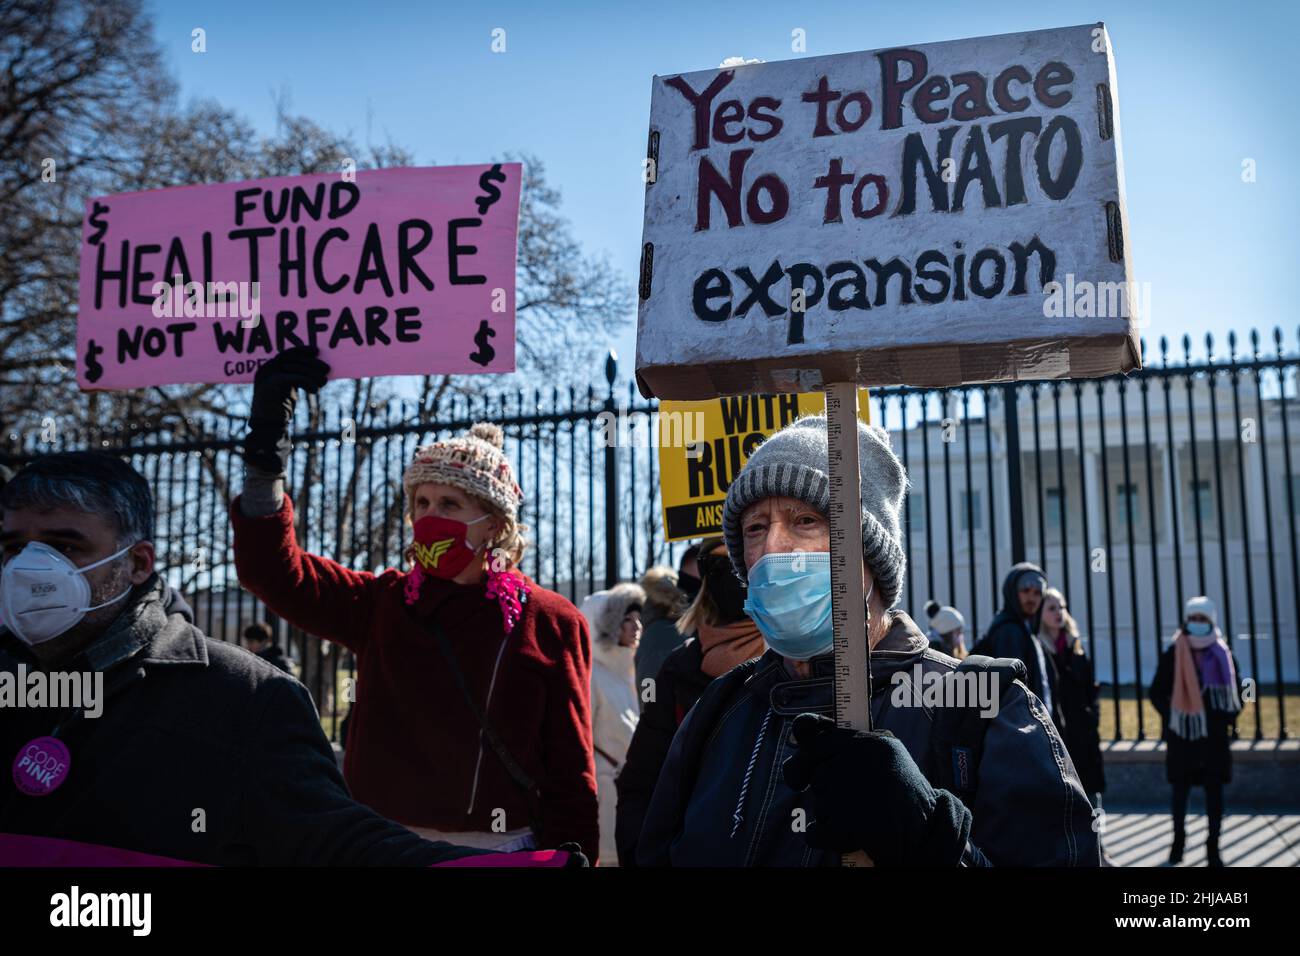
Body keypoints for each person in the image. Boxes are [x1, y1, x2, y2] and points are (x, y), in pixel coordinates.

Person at [637, 415, 1098, 866]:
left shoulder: (985, 709)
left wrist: (929, 841)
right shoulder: (720, 710)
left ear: (872, 557)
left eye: (805, 520)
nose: (774, 546)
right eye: (755, 527)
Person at [0, 452, 497, 865]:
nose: (30, 569)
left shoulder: (246, 700)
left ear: (137, 563)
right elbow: (277, 570)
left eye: (66, 546)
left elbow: (333, 844)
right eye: (13, 548)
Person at [230, 347, 599, 861]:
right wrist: (266, 447)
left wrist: (572, 854)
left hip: (496, 853)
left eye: (450, 504)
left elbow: (571, 770)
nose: (430, 516)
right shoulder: (380, 603)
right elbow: (271, 570)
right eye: (421, 503)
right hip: (379, 846)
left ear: (493, 524)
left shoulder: (551, 620)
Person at [615, 535, 765, 866]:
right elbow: (640, 783)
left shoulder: (795, 663)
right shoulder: (679, 667)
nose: (730, 578)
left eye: (738, 565)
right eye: (717, 567)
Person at [1149, 596, 1241, 867]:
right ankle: (1178, 844)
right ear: (1186, 621)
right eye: (1194, 618)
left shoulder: (1223, 654)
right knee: (1180, 794)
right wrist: (1178, 715)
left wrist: (1223, 717)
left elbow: (1238, 693)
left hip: (1213, 738)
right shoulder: (1174, 652)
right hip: (1182, 737)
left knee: (1215, 795)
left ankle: (1213, 848)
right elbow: (1156, 692)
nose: (1198, 623)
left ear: (1211, 622)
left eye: (1203, 619)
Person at [582, 583, 644, 866]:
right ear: (604, 625)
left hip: (625, 797)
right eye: (626, 619)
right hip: (603, 801)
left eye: (637, 618)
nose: (636, 626)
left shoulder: (627, 672)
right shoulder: (592, 676)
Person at [1036, 588, 1104, 800]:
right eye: (1052, 608)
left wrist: (1093, 715)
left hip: (1083, 731)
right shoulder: (1038, 648)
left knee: (1091, 795)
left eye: (1062, 607)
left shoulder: (1075, 646)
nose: (1059, 613)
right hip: (1057, 730)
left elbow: (1091, 687)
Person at [975, 562, 1053, 715]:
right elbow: (1013, 690)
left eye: (1037, 593)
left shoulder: (1027, 629)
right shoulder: (1009, 631)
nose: (1032, 598)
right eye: (1025, 590)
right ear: (1013, 592)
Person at [634, 565, 688, 701]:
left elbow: (649, 680)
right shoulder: (683, 625)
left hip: (667, 716)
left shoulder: (655, 634)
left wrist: (649, 711)